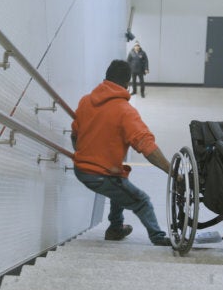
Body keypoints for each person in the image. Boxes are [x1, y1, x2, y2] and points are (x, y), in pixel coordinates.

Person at [71, 60, 171, 246]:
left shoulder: (85, 101)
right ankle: (158, 237)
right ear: (127, 84)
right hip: (99, 174)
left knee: (119, 183)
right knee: (142, 201)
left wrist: (85, 156)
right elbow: (146, 146)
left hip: (81, 169)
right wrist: (171, 170)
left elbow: (75, 135)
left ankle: (115, 228)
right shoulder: (125, 111)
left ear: (106, 79)